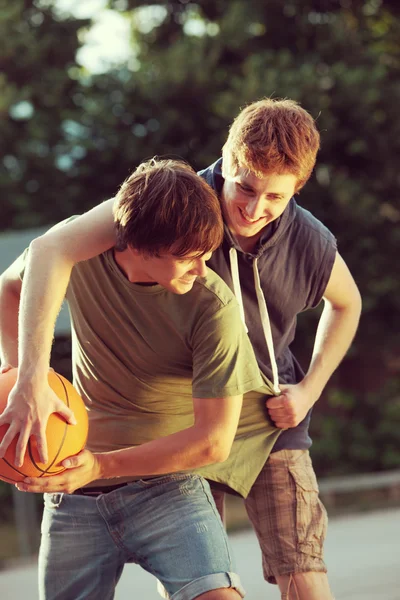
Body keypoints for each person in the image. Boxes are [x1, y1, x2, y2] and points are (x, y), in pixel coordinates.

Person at [1, 98, 362, 600]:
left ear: (297, 190)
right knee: (194, 583)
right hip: (187, 414)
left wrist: (309, 389)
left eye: (275, 198)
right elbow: (49, 249)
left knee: (302, 571)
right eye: (245, 187)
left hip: (268, 415)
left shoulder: (307, 239)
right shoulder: (176, 207)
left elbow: (348, 305)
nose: (254, 209)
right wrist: (25, 378)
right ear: (226, 160)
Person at [0, 158, 280, 600]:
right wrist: (26, 379)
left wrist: (100, 465)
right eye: (187, 256)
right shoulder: (76, 257)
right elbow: (9, 288)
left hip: (168, 488)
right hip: (73, 497)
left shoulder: (214, 308)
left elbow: (213, 443)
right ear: (138, 246)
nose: (202, 267)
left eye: (207, 252)